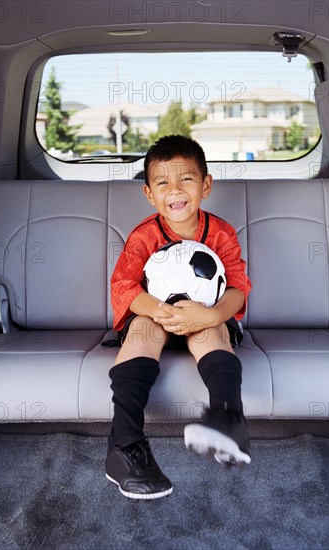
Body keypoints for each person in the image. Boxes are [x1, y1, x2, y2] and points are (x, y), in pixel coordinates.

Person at [105, 135, 252, 499]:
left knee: (213, 330)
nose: (175, 190)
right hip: (156, 316)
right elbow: (123, 286)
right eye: (163, 182)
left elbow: (238, 286)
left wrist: (209, 314)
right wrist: (160, 311)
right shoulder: (144, 236)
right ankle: (124, 444)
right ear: (149, 194)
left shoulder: (221, 233)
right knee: (142, 329)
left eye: (186, 179)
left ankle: (228, 419)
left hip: (203, 316)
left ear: (206, 185)